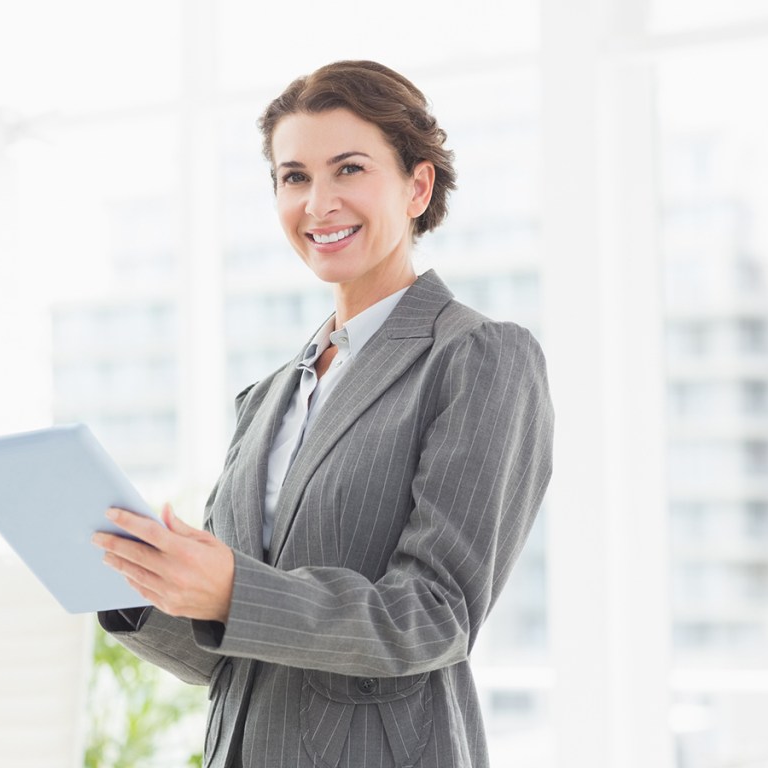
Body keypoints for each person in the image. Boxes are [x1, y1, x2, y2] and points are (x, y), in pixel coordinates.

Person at [91, 60, 554, 768]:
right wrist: (139, 590)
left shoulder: (478, 358)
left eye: (349, 169)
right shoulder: (271, 395)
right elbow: (234, 652)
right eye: (294, 177)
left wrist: (236, 589)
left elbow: (434, 616)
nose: (318, 203)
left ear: (417, 185)